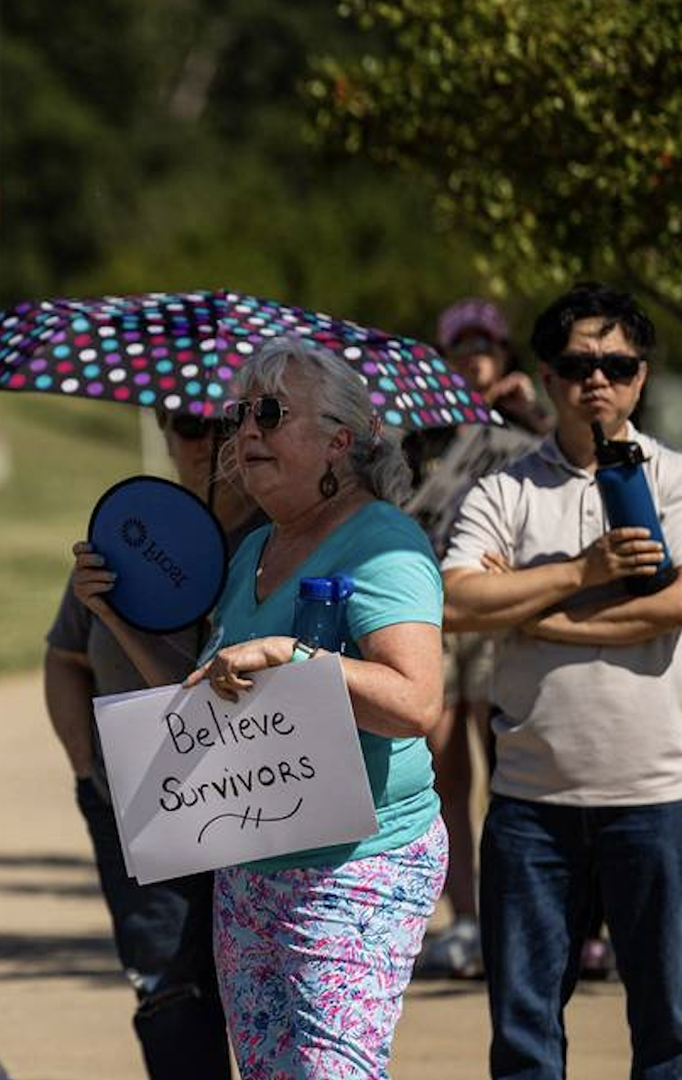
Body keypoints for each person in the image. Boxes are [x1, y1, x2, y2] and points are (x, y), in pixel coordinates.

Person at [78, 336, 448, 1078]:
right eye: (239, 413)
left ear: (339, 441)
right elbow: (207, 696)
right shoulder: (255, 552)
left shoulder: (384, 545)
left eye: (271, 413)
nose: (246, 431)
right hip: (252, 872)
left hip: (357, 866)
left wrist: (293, 656)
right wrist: (116, 614)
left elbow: (416, 702)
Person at [441, 283, 682, 1079]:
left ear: (642, 377)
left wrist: (533, 611)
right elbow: (457, 600)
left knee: (667, 1029)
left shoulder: (681, 481)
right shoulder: (505, 490)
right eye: (576, 364)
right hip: (533, 806)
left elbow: (681, 604)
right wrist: (585, 570)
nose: (597, 380)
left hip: (655, 796)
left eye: (618, 365)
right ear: (548, 374)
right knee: (525, 1033)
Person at [45, 407, 259, 1079]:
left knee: (260, 995)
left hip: (252, 808)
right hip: (135, 806)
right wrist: (90, 777)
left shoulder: (274, 542)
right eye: (184, 422)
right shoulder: (127, 529)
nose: (206, 440)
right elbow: (64, 657)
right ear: (163, 432)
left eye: (225, 422)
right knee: (166, 993)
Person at [403, 297, 548, 979]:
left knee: (511, 763)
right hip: (433, 609)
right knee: (446, 768)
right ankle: (466, 919)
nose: (474, 358)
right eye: (461, 347)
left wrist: (532, 414)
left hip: (498, 612)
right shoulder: (424, 430)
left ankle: (523, 914)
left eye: (484, 346)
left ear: (504, 353)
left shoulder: (527, 427)